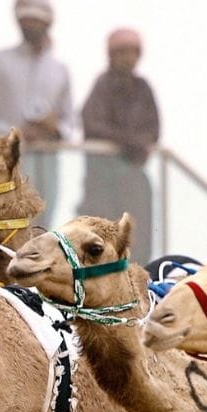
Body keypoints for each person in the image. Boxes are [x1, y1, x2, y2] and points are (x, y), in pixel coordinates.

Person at [0, 0, 74, 229]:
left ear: (47, 23)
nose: (31, 25)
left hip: (45, 165)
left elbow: (70, 124)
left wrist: (53, 128)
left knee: (40, 229)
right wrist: (15, 133)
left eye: (37, 20)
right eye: (27, 19)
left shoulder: (59, 70)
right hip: (2, 164)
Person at [79, 28, 161, 262]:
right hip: (102, 181)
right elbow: (92, 123)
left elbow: (153, 130)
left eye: (132, 52)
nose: (127, 58)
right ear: (111, 55)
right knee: (101, 243)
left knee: (137, 241)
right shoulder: (103, 85)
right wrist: (126, 141)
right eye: (122, 52)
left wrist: (137, 143)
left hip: (134, 179)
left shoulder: (142, 88)